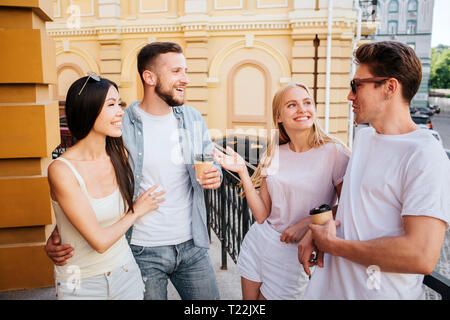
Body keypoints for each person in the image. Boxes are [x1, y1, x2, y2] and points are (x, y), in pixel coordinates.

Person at [45, 42, 222, 300]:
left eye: (186, 70)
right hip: (141, 249)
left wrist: (214, 173)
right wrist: (64, 229)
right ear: (149, 77)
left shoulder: (193, 117)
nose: (186, 79)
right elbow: (86, 172)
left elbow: (208, 159)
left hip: (192, 245)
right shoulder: (120, 124)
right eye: (176, 71)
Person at [299, 41, 450, 300]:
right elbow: (358, 206)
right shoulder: (365, 138)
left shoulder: (425, 155)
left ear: (390, 87)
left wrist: (333, 245)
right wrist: (313, 231)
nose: (350, 96)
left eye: (357, 85)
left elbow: (420, 255)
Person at [214, 82, 350, 300]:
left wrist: (306, 224)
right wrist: (242, 172)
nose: (302, 109)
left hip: (294, 253)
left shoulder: (335, 153)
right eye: (292, 105)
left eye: (307, 103)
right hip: (259, 242)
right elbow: (261, 214)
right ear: (279, 116)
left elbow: (348, 207)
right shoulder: (273, 153)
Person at [47, 75, 165, 299]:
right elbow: (99, 242)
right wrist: (136, 211)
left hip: (125, 273)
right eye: (111, 105)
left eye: (119, 103)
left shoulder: (120, 155)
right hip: (79, 282)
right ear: (87, 110)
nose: (121, 111)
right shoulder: (61, 170)